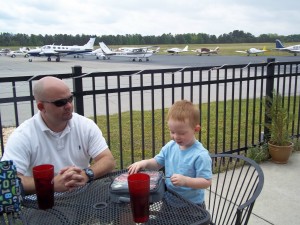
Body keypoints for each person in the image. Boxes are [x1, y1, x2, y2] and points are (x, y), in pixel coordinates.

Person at [1, 76, 116, 194]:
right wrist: (50, 184)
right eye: (60, 102)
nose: (69, 106)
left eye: (70, 99)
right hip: (41, 203)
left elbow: (108, 160)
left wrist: (86, 174)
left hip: (82, 195)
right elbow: (9, 181)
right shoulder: (23, 136)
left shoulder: (84, 125)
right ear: (41, 107)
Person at [128, 100, 212, 206]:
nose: (176, 137)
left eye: (182, 133)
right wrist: (144, 163)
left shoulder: (200, 155)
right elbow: (157, 163)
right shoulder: (170, 146)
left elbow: (206, 182)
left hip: (191, 206)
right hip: (169, 200)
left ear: (196, 129)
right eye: (172, 132)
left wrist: (186, 181)